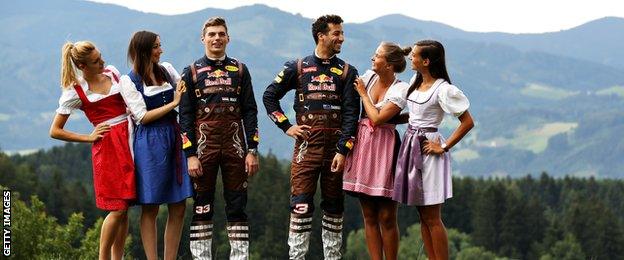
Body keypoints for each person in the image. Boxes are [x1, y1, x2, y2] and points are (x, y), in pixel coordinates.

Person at [50, 41, 184, 260]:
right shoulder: (76, 91)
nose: (102, 61)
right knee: (118, 208)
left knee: (126, 207)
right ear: (83, 66)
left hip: (132, 139)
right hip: (109, 147)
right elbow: (55, 130)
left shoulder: (112, 73)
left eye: (100, 56)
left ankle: (117, 258)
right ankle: (103, 257)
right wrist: (89, 137)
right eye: (96, 61)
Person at [263, 14, 359, 260]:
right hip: (306, 147)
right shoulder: (296, 67)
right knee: (301, 206)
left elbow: (351, 115)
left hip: (335, 151)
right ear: (321, 36)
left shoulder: (347, 71)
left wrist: (343, 150)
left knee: (334, 209)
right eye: (336, 33)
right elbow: (269, 97)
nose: (341, 38)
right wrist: (286, 127)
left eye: (341, 33)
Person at [179, 17, 259, 260]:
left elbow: (250, 111)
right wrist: (190, 154)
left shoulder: (241, 70)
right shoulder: (190, 72)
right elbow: (184, 116)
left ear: (228, 38)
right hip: (204, 148)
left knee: (237, 205)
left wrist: (252, 149)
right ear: (203, 39)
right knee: (202, 206)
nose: (216, 38)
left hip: (236, 146)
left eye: (221, 34)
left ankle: (240, 257)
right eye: (212, 34)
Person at [393, 40, 474, 260]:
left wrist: (444, 146)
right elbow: (414, 115)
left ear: (426, 61)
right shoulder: (415, 82)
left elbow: (467, 122)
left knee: (432, 215)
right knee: (422, 213)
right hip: (411, 145)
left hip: (428, 149)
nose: (411, 58)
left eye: (415, 55)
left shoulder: (443, 89)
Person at [126, 31, 193, 260]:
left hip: (173, 136)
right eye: (156, 46)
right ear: (144, 50)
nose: (160, 50)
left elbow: (186, 90)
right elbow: (142, 117)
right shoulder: (130, 80)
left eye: (160, 45)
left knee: (178, 203)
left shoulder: (167, 69)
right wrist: (174, 102)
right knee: (151, 205)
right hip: (150, 141)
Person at [343, 42, 410, 260]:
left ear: (389, 65)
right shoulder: (369, 76)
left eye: (377, 56)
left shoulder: (400, 88)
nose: (373, 59)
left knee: (387, 215)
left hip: (386, 148)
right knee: (369, 214)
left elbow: (378, 118)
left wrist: (363, 94)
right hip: (363, 145)